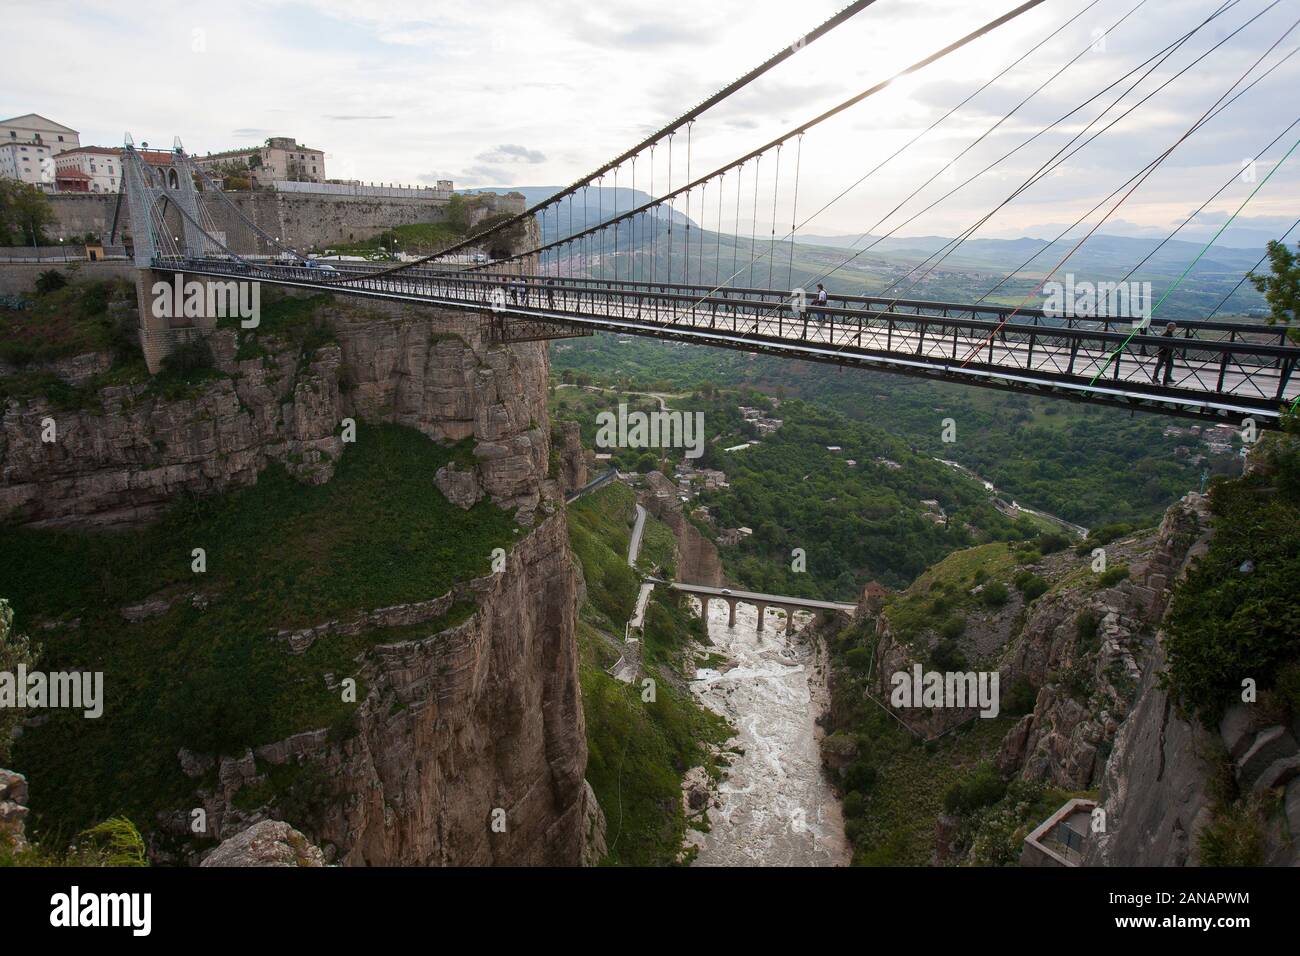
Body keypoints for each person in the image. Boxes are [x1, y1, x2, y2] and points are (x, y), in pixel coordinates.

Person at [1153, 321, 1177, 385]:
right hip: (1164, 354)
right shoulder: (1167, 335)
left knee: (1164, 365)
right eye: (1174, 327)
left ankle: (1158, 377)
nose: (1175, 328)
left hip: (1164, 353)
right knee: (1164, 365)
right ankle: (1161, 378)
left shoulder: (1166, 334)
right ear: (1171, 327)